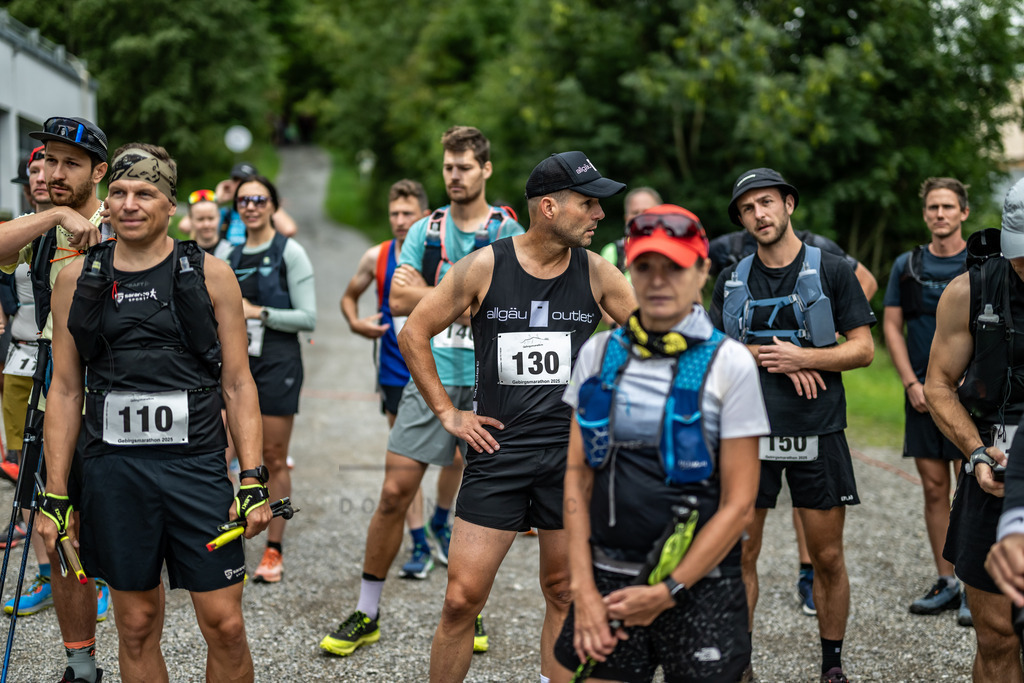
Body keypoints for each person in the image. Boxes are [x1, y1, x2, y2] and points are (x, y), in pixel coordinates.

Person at [38, 142, 272, 683]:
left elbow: (238, 383)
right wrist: (55, 493)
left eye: (144, 192)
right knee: (137, 624)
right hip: (115, 474)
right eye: (118, 192)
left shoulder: (209, 274)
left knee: (226, 624)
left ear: (170, 205)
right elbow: (67, 390)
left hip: (196, 470)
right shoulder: (78, 278)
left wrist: (254, 477)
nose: (128, 204)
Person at [399, 149, 636, 683]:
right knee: (461, 600)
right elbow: (414, 333)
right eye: (588, 203)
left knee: (563, 591)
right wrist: (448, 412)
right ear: (548, 207)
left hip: (569, 458)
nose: (600, 215)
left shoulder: (600, 274)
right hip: (496, 452)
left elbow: (657, 341)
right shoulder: (486, 265)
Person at [319, 126, 525, 658]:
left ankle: (470, 611)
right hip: (429, 372)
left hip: (488, 383)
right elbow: (397, 297)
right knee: (393, 495)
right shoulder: (427, 229)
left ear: (486, 170)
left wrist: (432, 299)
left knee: (477, 506)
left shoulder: (507, 227)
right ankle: (367, 611)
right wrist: (470, 298)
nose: (454, 176)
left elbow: (512, 307)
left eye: (465, 166)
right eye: (448, 167)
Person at [555, 203, 768, 682]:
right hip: (608, 580)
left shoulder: (730, 364)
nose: (657, 280)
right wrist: (584, 591)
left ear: (702, 271)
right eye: (645, 267)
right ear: (629, 269)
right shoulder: (598, 353)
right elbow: (575, 476)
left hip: (700, 584)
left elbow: (739, 504)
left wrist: (668, 589)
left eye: (674, 266)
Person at [709, 167, 876, 683]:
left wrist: (809, 358)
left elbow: (864, 348)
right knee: (740, 552)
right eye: (747, 208)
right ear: (741, 219)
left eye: (767, 202)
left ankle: (832, 663)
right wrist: (770, 357)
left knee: (826, 555)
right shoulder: (732, 279)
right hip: (747, 431)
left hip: (817, 427)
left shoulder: (833, 270)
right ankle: (740, 663)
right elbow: (713, 355)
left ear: (788, 205)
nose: (759, 214)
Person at [0, 116, 112, 683]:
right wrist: (51, 214)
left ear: (100, 171)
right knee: (57, 525)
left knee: (124, 535)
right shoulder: (43, 226)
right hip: (55, 399)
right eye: (48, 161)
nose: (56, 172)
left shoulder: (121, 216)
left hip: (117, 402)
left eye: (72, 163)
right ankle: (80, 662)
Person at [340, 178, 465, 579]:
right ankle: (416, 542)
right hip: (397, 370)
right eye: (393, 213)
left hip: (449, 365)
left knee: (458, 457)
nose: (398, 220)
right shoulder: (377, 255)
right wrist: (355, 323)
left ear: (424, 217)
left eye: (407, 214)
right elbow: (349, 295)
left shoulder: (438, 251)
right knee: (404, 470)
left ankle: (440, 521)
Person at [926, 177, 1024, 682]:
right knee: (996, 633)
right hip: (993, 476)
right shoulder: (968, 290)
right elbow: (938, 385)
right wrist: (976, 452)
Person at [882, 177, 971, 623]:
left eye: (948, 207)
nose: (940, 214)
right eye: (933, 207)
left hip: (967, 398)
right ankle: (947, 581)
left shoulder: (981, 263)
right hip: (920, 396)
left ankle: (976, 585)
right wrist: (910, 383)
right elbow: (892, 327)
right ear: (925, 214)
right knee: (935, 489)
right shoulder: (907, 265)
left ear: (964, 214)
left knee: (969, 487)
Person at [227, 174, 316, 583]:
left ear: (272, 205)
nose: (251, 206)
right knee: (224, 454)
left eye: (259, 199)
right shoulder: (228, 254)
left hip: (278, 364)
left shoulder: (290, 252)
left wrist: (258, 312)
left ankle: (273, 550)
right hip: (236, 366)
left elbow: (309, 317)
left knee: (274, 457)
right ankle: (228, 539)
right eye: (244, 200)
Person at [177, 162, 298, 241]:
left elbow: (288, 229)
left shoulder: (262, 211)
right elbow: (185, 226)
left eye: (244, 181)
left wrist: (266, 201)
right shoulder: (224, 213)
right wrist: (217, 199)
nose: (239, 184)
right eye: (236, 180)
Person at [599, 187, 662, 274]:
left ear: (661, 215)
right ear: (626, 218)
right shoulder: (612, 252)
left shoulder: (674, 248)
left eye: (646, 211)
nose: (640, 217)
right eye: (635, 213)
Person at [187, 188, 233, 259]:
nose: (206, 224)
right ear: (190, 219)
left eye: (211, 218)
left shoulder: (231, 253)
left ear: (219, 217)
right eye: (200, 219)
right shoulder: (184, 254)